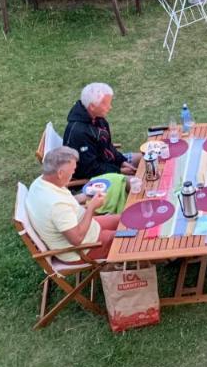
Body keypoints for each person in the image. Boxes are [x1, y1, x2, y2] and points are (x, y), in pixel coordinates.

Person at [25, 147, 121, 262]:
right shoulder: (57, 205)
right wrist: (91, 208)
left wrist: (85, 196)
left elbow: (65, 206)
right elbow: (77, 239)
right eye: (73, 170)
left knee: (126, 219)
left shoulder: (40, 183)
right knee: (131, 238)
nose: (74, 173)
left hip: (86, 227)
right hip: (84, 249)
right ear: (60, 173)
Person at [62, 82, 135, 213]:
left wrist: (122, 160)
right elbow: (91, 169)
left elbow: (108, 146)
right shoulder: (79, 132)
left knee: (143, 157)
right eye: (105, 104)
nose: (110, 107)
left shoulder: (98, 118)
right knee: (134, 182)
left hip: (107, 162)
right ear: (92, 106)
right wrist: (119, 170)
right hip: (93, 177)